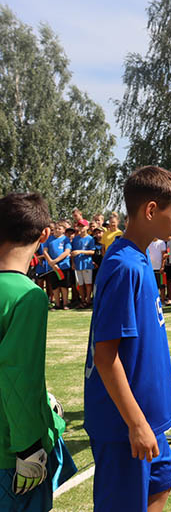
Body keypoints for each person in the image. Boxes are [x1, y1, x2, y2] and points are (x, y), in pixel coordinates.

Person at [83, 166, 171, 512]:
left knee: (160, 486)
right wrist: (136, 423)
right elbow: (105, 357)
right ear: (150, 211)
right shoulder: (124, 266)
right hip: (125, 425)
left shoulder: (140, 258)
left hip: (148, 419)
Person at [0, 193, 77, 512]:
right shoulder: (27, 296)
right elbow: (18, 374)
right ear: (45, 234)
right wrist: (30, 446)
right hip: (9, 450)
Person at [43, 223, 72, 310]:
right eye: (55, 228)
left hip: (63, 266)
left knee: (64, 286)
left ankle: (65, 303)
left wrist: (55, 261)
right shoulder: (49, 239)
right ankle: (57, 304)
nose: (57, 230)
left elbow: (67, 252)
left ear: (63, 230)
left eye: (59, 228)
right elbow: (45, 251)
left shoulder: (66, 239)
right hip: (52, 267)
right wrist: (51, 262)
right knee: (55, 286)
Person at [71, 219, 96, 308]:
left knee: (88, 283)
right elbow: (72, 252)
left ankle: (88, 300)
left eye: (83, 226)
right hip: (78, 264)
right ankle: (82, 300)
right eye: (79, 226)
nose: (81, 228)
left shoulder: (90, 239)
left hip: (87, 264)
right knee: (80, 284)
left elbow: (93, 251)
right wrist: (73, 263)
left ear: (87, 227)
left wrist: (80, 251)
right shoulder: (75, 239)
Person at [147, 238, 169, 305]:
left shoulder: (161, 243)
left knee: (162, 285)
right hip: (151, 268)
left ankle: (162, 300)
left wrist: (162, 266)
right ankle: (153, 301)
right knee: (152, 285)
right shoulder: (148, 242)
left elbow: (163, 255)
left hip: (159, 268)